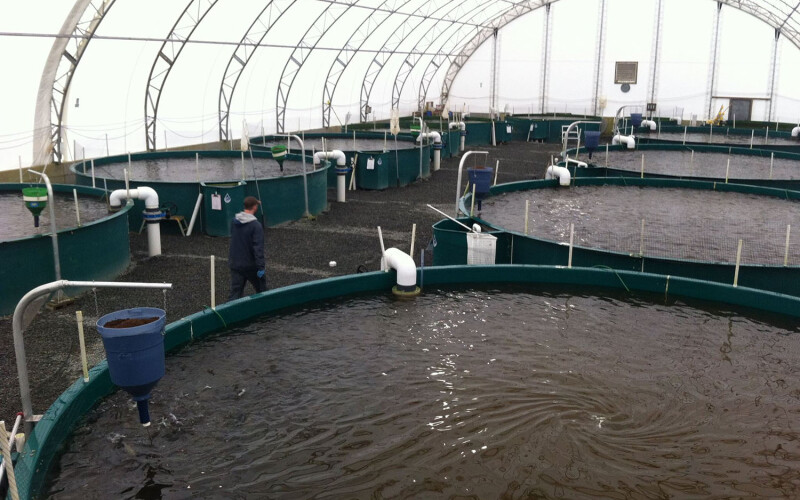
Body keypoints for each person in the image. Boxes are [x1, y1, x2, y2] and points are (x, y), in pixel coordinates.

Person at [228, 196, 266, 301]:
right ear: (255, 207)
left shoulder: (234, 222)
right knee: (262, 292)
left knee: (235, 294)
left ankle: (231, 310)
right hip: (251, 265)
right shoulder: (256, 226)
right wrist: (261, 267)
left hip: (235, 263)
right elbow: (258, 248)